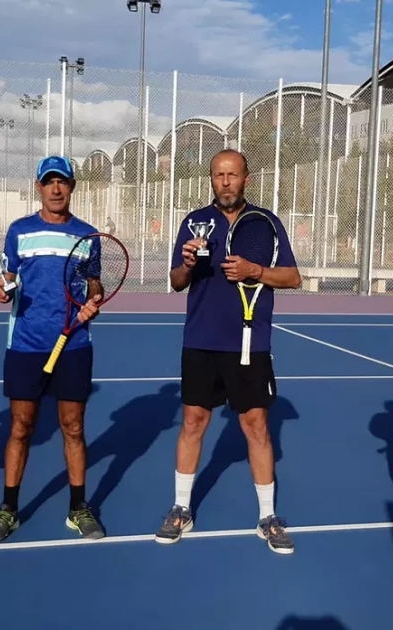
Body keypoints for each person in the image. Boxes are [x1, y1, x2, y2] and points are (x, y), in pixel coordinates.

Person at [155, 149, 301, 554]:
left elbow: (292, 277)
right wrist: (185, 263)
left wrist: (256, 271)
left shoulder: (267, 223)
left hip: (250, 344)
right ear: (211, 179)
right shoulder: (194, 222)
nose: (225, 182)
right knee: (193, 422)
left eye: (232, 175)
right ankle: (181, 507)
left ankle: (267, 517)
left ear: (246, 179)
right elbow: (177, 280)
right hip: (200, 340)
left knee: (255, 426)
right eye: (218, 175)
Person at [0, 155, 105, 543]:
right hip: (26, 345)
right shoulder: (19, 231)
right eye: (49, 182)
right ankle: (8, 509)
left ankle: (78, 508)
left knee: (73, 427)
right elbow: (8, 281)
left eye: (62, 182)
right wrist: (1, 290)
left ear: (71, 187)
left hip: (74, 345)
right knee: (20, 428)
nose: (56, 189)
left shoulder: (88, 236)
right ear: (38, 186)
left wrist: (94, 300)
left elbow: (95, 284)